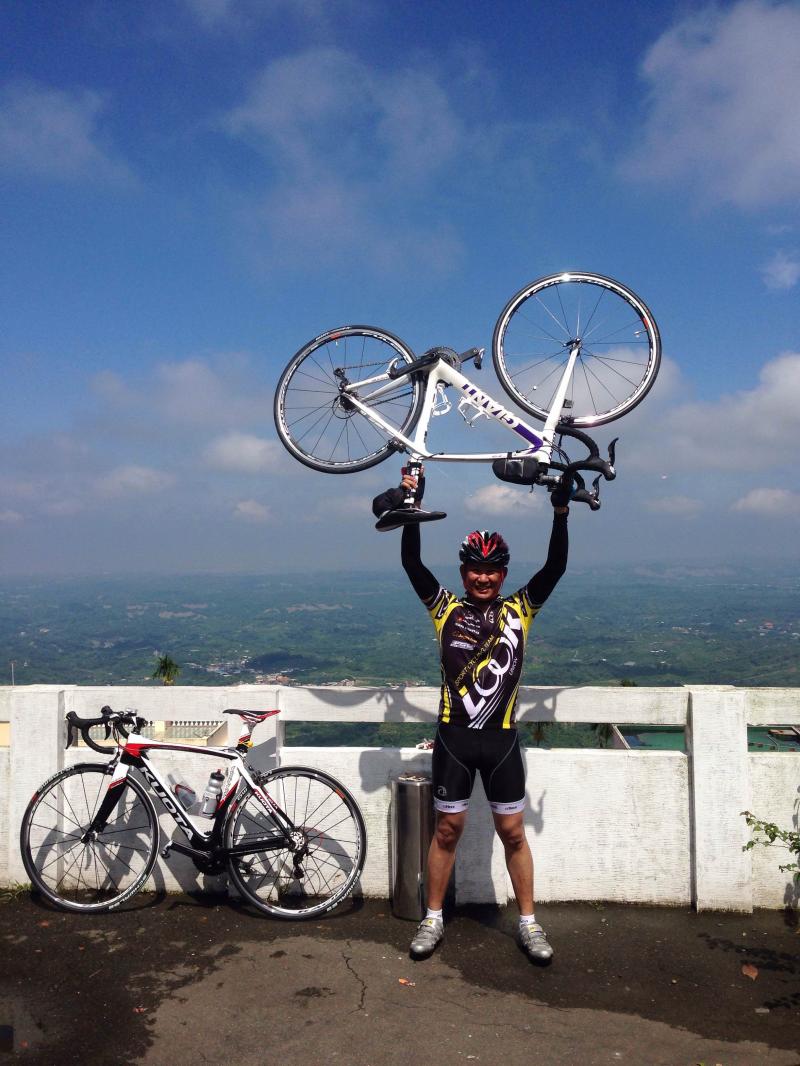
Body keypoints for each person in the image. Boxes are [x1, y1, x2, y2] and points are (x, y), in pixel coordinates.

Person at [373, 470, 571, 963]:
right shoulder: (445, 610)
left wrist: (560, 512)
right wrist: (413, 507)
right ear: (463, 573)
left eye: (493, 569)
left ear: (503, 574)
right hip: (455, 740)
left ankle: (529, 923)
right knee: (447, 831)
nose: (483, 577)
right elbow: (412, 563)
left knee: (514, 833)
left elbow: (555, 567)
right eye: (475, 569)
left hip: (501, 742)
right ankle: (432, 917)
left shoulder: (520, 610)